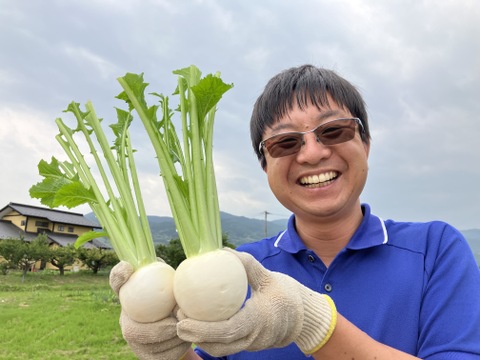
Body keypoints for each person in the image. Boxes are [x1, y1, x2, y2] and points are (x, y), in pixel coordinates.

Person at [110, 65, 480, 359]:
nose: (312, 153)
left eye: (334, 131)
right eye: (285, 142)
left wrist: (313, 324)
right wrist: (171, 355)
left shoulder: (435, 248)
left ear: (365, 143)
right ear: (264, 165)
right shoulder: (243, 266)